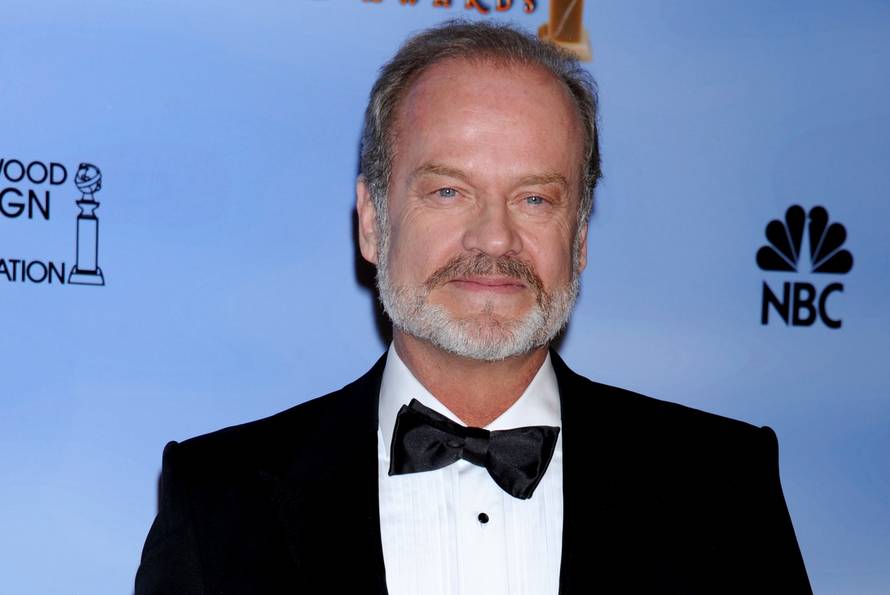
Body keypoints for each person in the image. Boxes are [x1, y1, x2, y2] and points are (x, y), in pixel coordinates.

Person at [135, 20, 812, 595]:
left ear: (578, 238)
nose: (494, 239)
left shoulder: (722, 490)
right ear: (372, 222)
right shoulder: (218, 502)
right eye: (449, 192)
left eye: (535, 198)